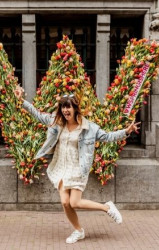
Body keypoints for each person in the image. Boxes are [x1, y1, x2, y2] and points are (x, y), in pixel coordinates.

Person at [14, 85, 140, 244]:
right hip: (61, 165)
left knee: (74, 202)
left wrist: (126, 132)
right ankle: (78, 231)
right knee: (65, 203)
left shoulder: (89, 128)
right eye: (63, 107)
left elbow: (107, 137)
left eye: (69, 108)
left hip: (78, 167)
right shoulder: (56, 122)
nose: (66, 111)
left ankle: (107, 208)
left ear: (75, 109)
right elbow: (37, 115)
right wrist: (21, 100)